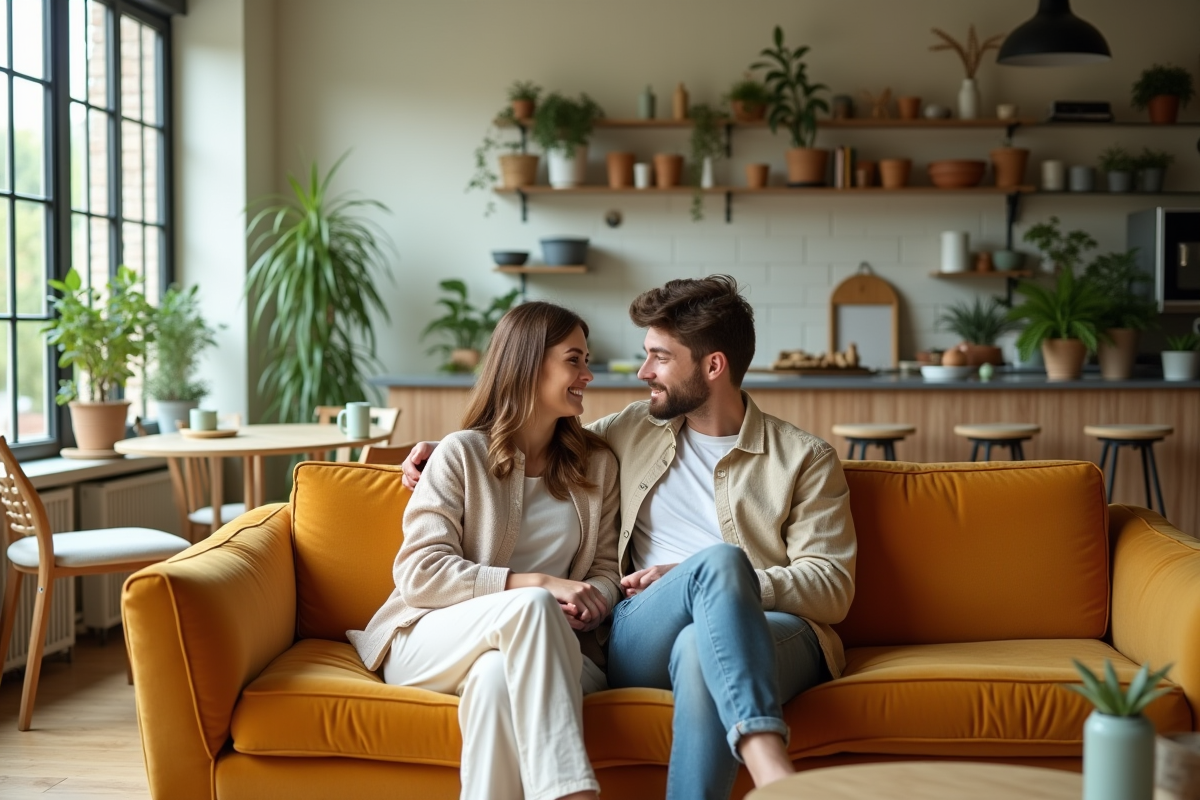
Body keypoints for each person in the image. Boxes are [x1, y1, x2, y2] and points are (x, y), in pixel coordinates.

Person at [404, 275, 857, 800]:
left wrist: (722, 585)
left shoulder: (804, 459)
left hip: (768, 627)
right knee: (712, 575)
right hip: (646, 627)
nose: (643, 373)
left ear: (712, 366)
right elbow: (536, 434)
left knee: (713, 592)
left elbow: (833, 588)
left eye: (659, 358)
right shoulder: (631, 430)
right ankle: (769, 766)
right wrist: (450, 449)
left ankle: (753, 751)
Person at [350, 301, 621, 800]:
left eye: (587, 360)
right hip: (434, 639)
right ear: (528, 363)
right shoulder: (460, 454)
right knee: (533, 604)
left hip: (555, 647)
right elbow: (420, 574)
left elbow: (606, 569)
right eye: (574, 359)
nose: (588, 374)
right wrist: (536, 584)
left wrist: (591, 601)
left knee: (497, 680)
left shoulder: (597, 465)